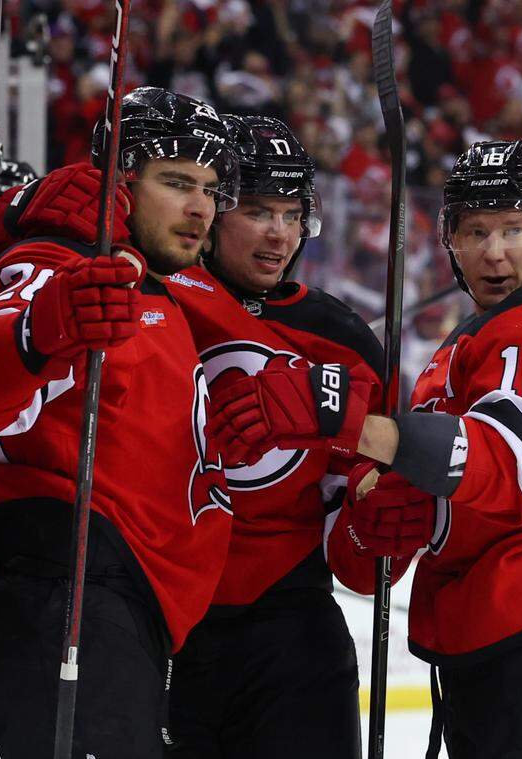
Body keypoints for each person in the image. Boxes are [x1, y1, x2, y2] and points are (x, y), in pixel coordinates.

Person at [210, 140, 522, 758]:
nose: (494, 251)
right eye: (475, 231)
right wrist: (381, 523)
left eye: (514, 228)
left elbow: (505, 464)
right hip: (489, 640)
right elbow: (384, 545)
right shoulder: (458, 355)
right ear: (450, 241)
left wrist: (343, 419)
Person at [0, 87, 237, 759]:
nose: (200, 208)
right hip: (66, 593)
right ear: (118, 181)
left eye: (211, 188)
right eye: (177, 181)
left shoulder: (145, 279)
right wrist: (42, 331)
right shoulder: (64, 260)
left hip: (114, 610)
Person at [161, 114, 383, 759]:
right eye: (258, 210)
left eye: (293, 215)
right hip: (172, 618)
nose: (278, 234)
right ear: (213, 209)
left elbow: (362, 493)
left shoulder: (341, 335)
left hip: (294, 626)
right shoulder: (154, 294)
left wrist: (380, 518)